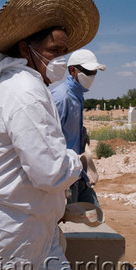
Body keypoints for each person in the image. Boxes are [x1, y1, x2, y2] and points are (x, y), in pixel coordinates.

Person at [0, 0, 100, 270]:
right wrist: (76, 161)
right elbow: (49, 171)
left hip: (33, 226)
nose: (61, 60)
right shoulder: (24, 92)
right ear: (26, 48)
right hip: (8, 231)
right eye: (54, 51)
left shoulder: (25, 86)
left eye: (64, 52)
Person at [51, 49, 106, 205]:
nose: (92, 76)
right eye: (88, 71)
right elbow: (50, 139)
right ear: (72, 70)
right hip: (64, 173)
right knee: (62, 216)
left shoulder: (77, 95)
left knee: (91, 210)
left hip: (76, 171)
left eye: (94, 72)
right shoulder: (62, 97)